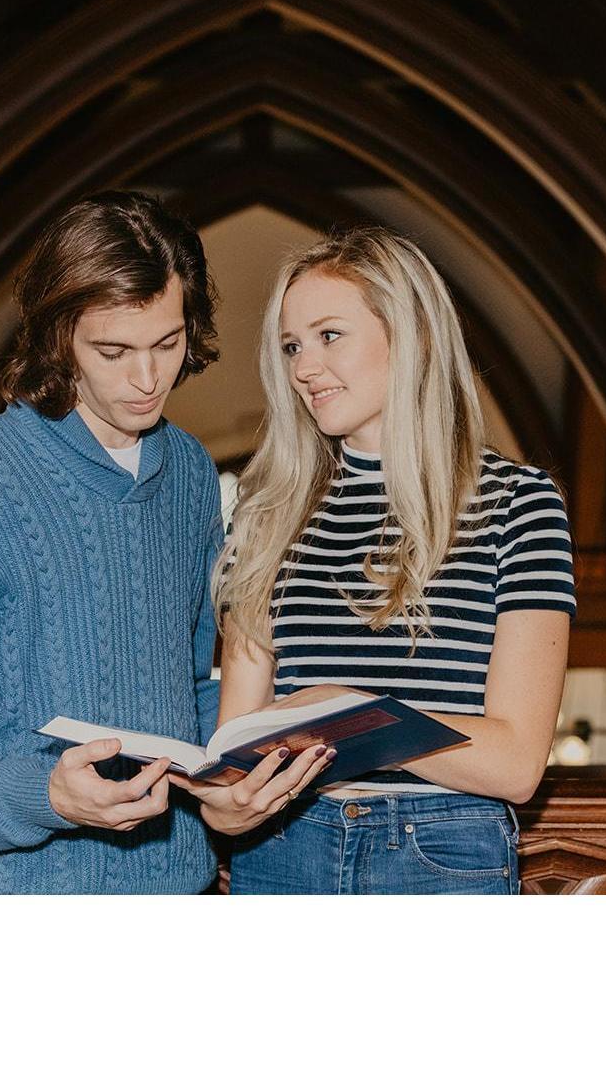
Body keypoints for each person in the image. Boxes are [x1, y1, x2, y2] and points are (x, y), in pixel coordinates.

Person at [0, 189, 321, 893]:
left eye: (167, 344)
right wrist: (46, 795)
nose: (147, 379)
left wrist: (240, 759)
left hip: (181, 889)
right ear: (60, 338)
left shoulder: (192, 475)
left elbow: (184, 690)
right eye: (113, 351)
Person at [180, 225, 575, 894]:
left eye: (329, 335)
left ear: (412, 334)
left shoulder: (519, 504)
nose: (304, 367)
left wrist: (353, 708)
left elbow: (515, 764)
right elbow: (236, 753)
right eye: (291, 345)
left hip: (442, 852)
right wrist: (223, 803)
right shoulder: (266, 513)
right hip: (284, 849)